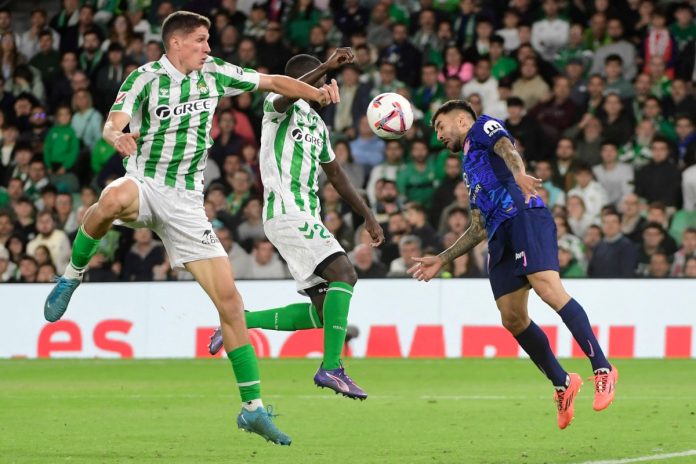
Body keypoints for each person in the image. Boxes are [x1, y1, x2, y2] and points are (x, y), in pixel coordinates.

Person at [42, 11, 342, 446]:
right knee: (109, 200)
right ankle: (72, 275)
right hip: (145, 182)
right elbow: (115, 120)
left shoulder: (215, 73)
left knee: (231, 303)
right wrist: (116, 137)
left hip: (187, 204)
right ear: (176, 43)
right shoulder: (144, 78)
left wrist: (316, 92)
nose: (208, 47)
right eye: (201, 40)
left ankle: (253, 409)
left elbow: (275, 82)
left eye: (208, 40)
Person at [410, 100, 617, 430]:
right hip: (498, 234)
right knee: (512, 317)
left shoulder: (482, 127)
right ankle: (564, 383)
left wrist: (519, 173)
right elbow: (477, 226)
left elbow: (506, 147)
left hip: (523, 216)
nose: (438, 136)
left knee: (548, 288)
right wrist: (443, 258)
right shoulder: (470, 167)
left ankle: (603, 369)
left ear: (461, 120)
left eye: (440, 127)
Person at [207, 50, 384, 401]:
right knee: (345, 274)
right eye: (323, 82)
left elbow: (336, 175)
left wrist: (367, 213)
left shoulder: (317, 125)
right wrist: (325, 69)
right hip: (287, 211)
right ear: (310, 79)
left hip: (304, 215)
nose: (328, 88)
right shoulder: (277, 105)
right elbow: (289, 92)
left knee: (322, 313)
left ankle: (238, 321)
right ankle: (331, 368)